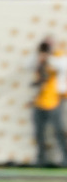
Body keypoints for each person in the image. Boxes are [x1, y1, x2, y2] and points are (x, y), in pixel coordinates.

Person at [32, 38, 67, 167]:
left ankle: (65, 158)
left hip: (55, 100)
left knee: (59, 131)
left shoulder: (59, 57)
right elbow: (28, 66)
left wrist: (49, 57)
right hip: (39, 101)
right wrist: (39, 57)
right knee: (39, 132)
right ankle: (41, 160)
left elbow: (62, 66)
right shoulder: (38, 59)